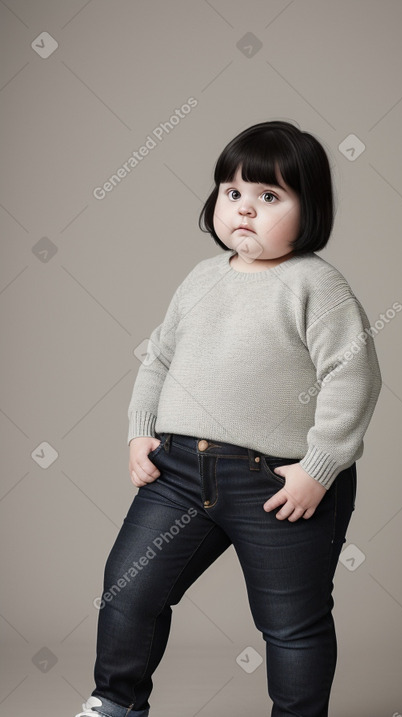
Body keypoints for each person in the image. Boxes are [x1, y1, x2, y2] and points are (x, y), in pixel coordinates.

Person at [74, 120, 382, 717]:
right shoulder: (200, 279)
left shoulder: (318, 287)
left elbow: (354, 378)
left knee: (291, 623)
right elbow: (159, 357)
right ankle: (116, 703)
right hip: (181, 471)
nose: (245, 209)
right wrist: (141, 432)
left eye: (270, 197)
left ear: (309, 209)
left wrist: (318, 469)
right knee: (129, 592)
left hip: (280, 482)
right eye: (232, 192)